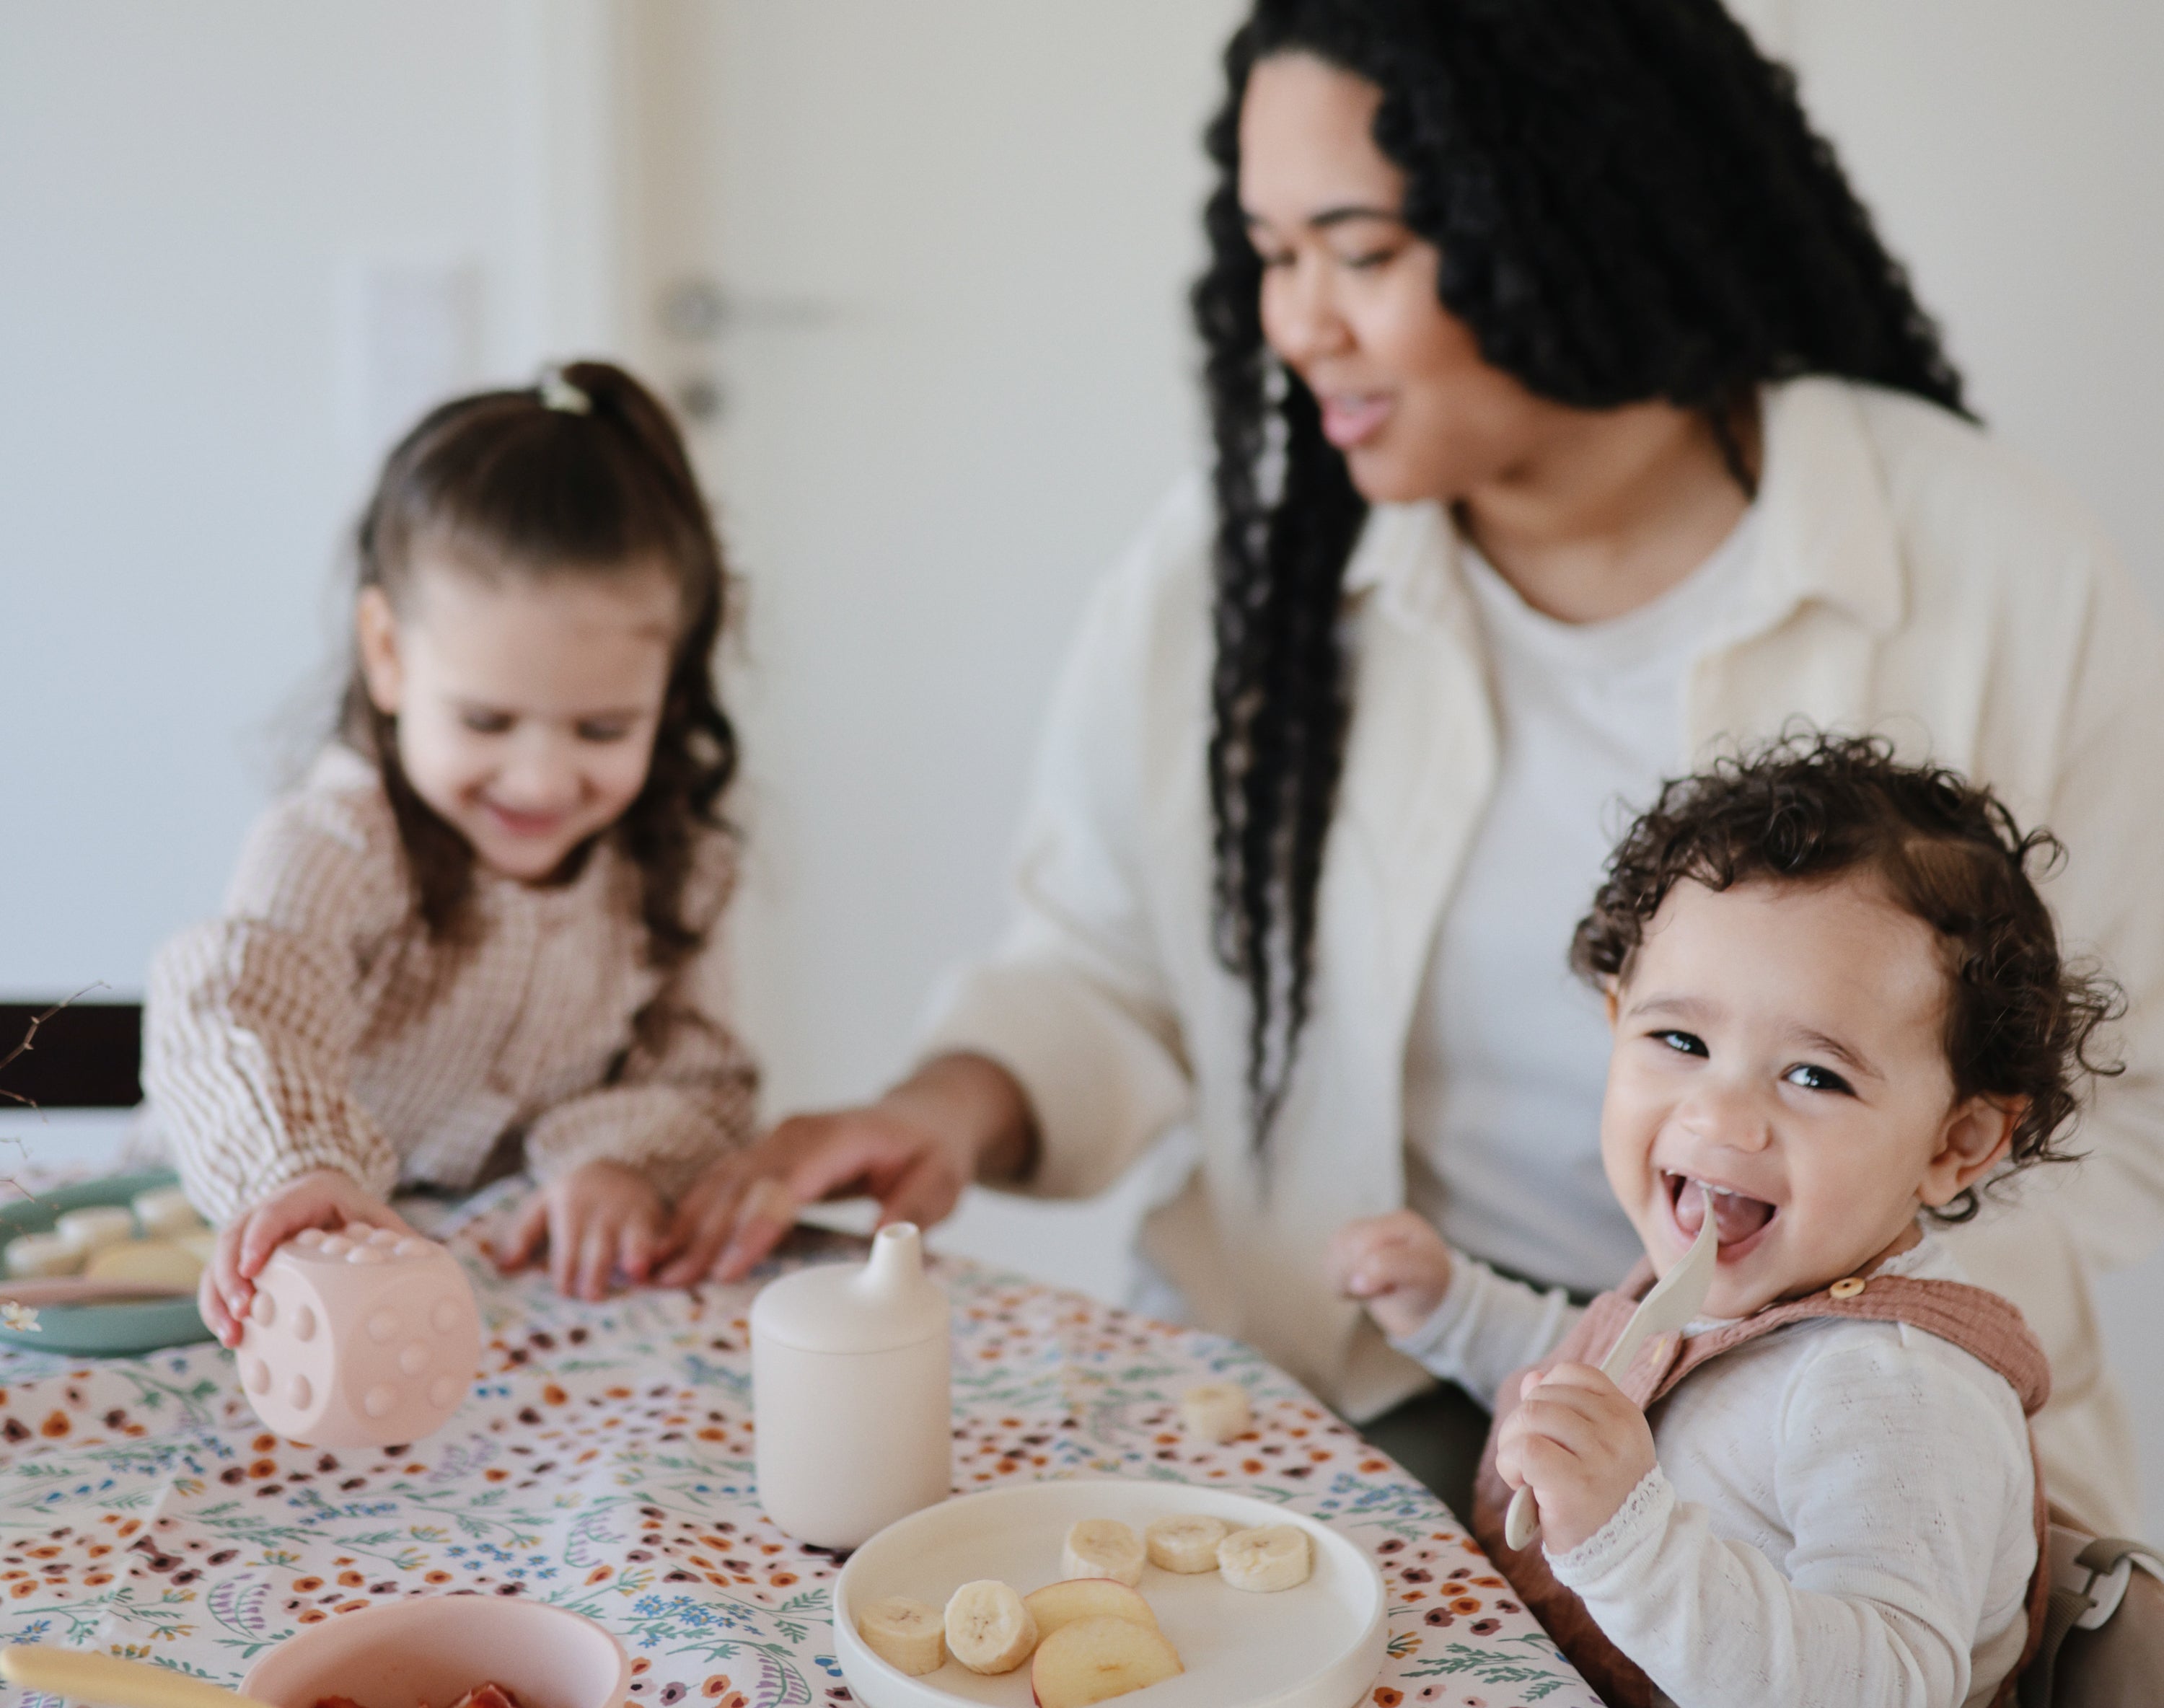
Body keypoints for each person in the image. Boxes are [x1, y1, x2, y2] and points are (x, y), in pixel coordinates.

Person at [660, 0, 2164, 1536]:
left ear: (1570, 215)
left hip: (1808, 1481)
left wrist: (1748, 1364)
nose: (1296, 322)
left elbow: (2118, 1104)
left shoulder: (1992, 574)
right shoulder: (1243, 573)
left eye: (1360, 253)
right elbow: (1105, 967)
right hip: (1330, 1401)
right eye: (1273, 253)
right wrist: (952, 1108)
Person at [1330, 735, 2118, 1708]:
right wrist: (1453, 1309)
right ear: (1617, 1016)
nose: (1723, 1112)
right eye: (1679, 1042)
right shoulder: (1716, 1293)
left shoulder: (1890, 1393)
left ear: (1959, 1145)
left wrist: (1629, 1533)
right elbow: (1596, 1371)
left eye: (1815, 1076)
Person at [146, 361, 757, 1342]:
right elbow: (232, 1007)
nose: (543, 780)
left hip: (495, 1306)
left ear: (670, 693)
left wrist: (615, 1164)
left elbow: (699, 1074)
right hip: (260, 1279)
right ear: (387, 654)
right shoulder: (336, 844)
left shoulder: (678, 866)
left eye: (602, 730)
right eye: (486, 720)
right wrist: (300, 1168)